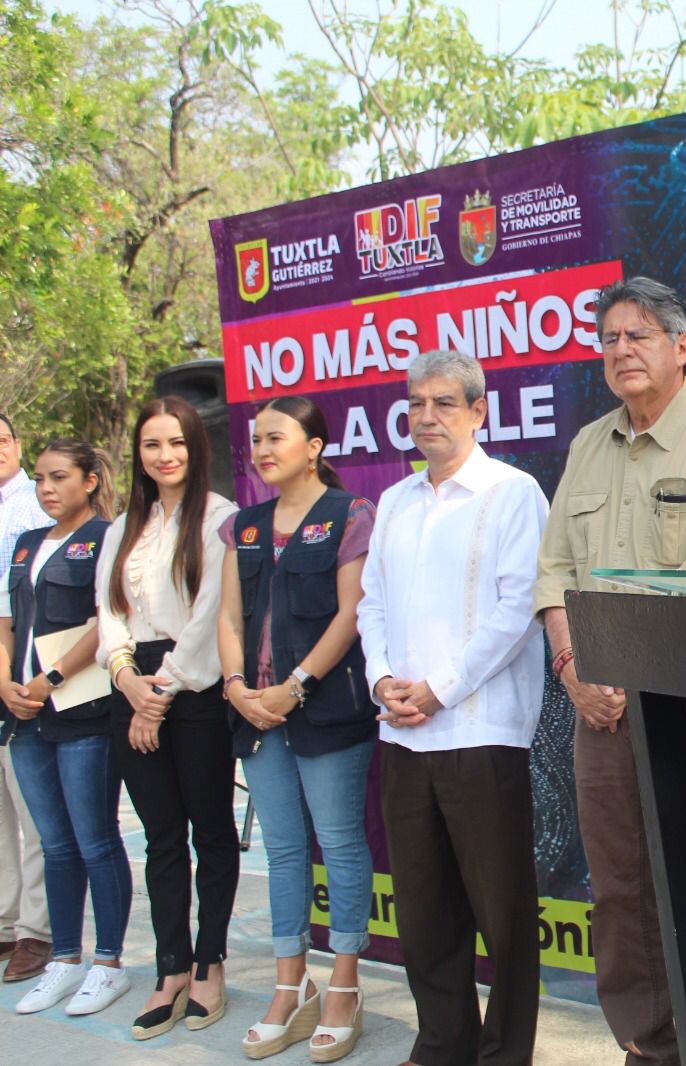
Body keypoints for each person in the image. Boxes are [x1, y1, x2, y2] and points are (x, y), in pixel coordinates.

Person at [535, 276, 686, 1066]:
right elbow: (555, 568)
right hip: (596, 708)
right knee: (621, 894)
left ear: (681, 346)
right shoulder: (588, 446)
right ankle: (646, 1047)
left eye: (638, 335)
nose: (622, 351)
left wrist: (628, 676)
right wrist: (572, 669)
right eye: (609, 340)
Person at [356, 349, 549, 1066]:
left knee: (501, 916)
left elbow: (517, 609)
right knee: (425, 911)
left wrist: (438, 687)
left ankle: (505, 1055)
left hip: (480, 731)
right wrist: (383, 683)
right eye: (416, 404)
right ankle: (443, 1044)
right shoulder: (398, 501)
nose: (426, 417)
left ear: (478, 411)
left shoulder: (512, 493)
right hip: (403, 735)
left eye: (443, 403)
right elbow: (371, 603)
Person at [217, 397, 377, 1062]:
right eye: (256, 439)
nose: (261, 449)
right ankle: (291, 984)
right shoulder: (243, 526)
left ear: (314, 446)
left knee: (338, 844)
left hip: (325, 710)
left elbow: (351, 614)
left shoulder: (349, 515)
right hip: (254, 716)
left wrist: (295, 687)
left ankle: (344, 984)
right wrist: (237, 689)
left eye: (276, 437)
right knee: (283, 851)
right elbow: (229, 618)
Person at [97, 395, 240, 1039]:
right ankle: (170, 969)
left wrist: (164, 691)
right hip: (132, 692)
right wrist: (130, 684)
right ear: (139, 455)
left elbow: (213, 611)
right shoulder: (122, 525)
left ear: (195, 448)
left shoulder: (220, 519)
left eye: (176, 443)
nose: (165, 456)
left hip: (197, 689)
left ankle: (211, 963)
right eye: (152, 445)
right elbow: (110, 616)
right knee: (159, 838)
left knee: (210, 832)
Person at [0, 439, 131, 1017]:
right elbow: (8, 622)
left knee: (94, 839)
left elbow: (107, 621)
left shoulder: (106, 538)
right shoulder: (25, 545)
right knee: (53, 844)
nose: (48, 488)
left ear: (90, 482)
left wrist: (49, 677)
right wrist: (6, 680)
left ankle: (107, 963)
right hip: (23, 713)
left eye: (60, 478)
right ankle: (63, 958)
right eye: (42, 480)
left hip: (79, 708)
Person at [0, 413, 53, 984]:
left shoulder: (34, 510)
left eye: (3, 440)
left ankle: (36, 932)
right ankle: (5, 920)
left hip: (23, 679)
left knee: (34, 816)